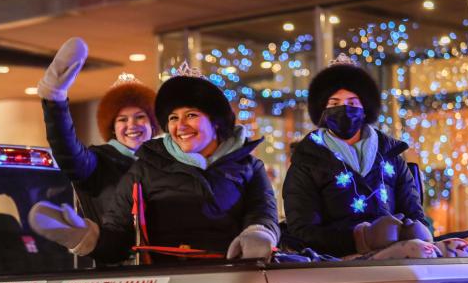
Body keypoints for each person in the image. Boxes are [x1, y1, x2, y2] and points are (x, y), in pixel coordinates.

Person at [29, 64, 280, 263]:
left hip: (232, 279)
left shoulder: (249, 167)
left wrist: (259, 234)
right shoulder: (146, 167)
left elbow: (263, 214)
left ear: (215, 121)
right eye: (173, 117)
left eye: (191, 115)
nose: (180, 125)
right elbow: (119, 236)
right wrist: (86, 237)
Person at [282, 54, 430, 257]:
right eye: (334, 104)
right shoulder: (307, 160)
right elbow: (304, 230)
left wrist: (414, 231)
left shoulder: (391, 155)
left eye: (352, 103)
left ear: (366, 108)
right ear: (322, 110)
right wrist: (361, 238)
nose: (344, 110)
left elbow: (414, 213)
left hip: (400, 255)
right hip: (338, 262)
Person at [37, 37, 158, 225]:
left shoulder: (164, 163)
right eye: (122, 119)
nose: (132, 124)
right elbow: (66, 149)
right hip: (115, 254)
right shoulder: (96, 163)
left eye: (140, 116)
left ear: (153, 123)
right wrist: (55, 101)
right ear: (112, 127)